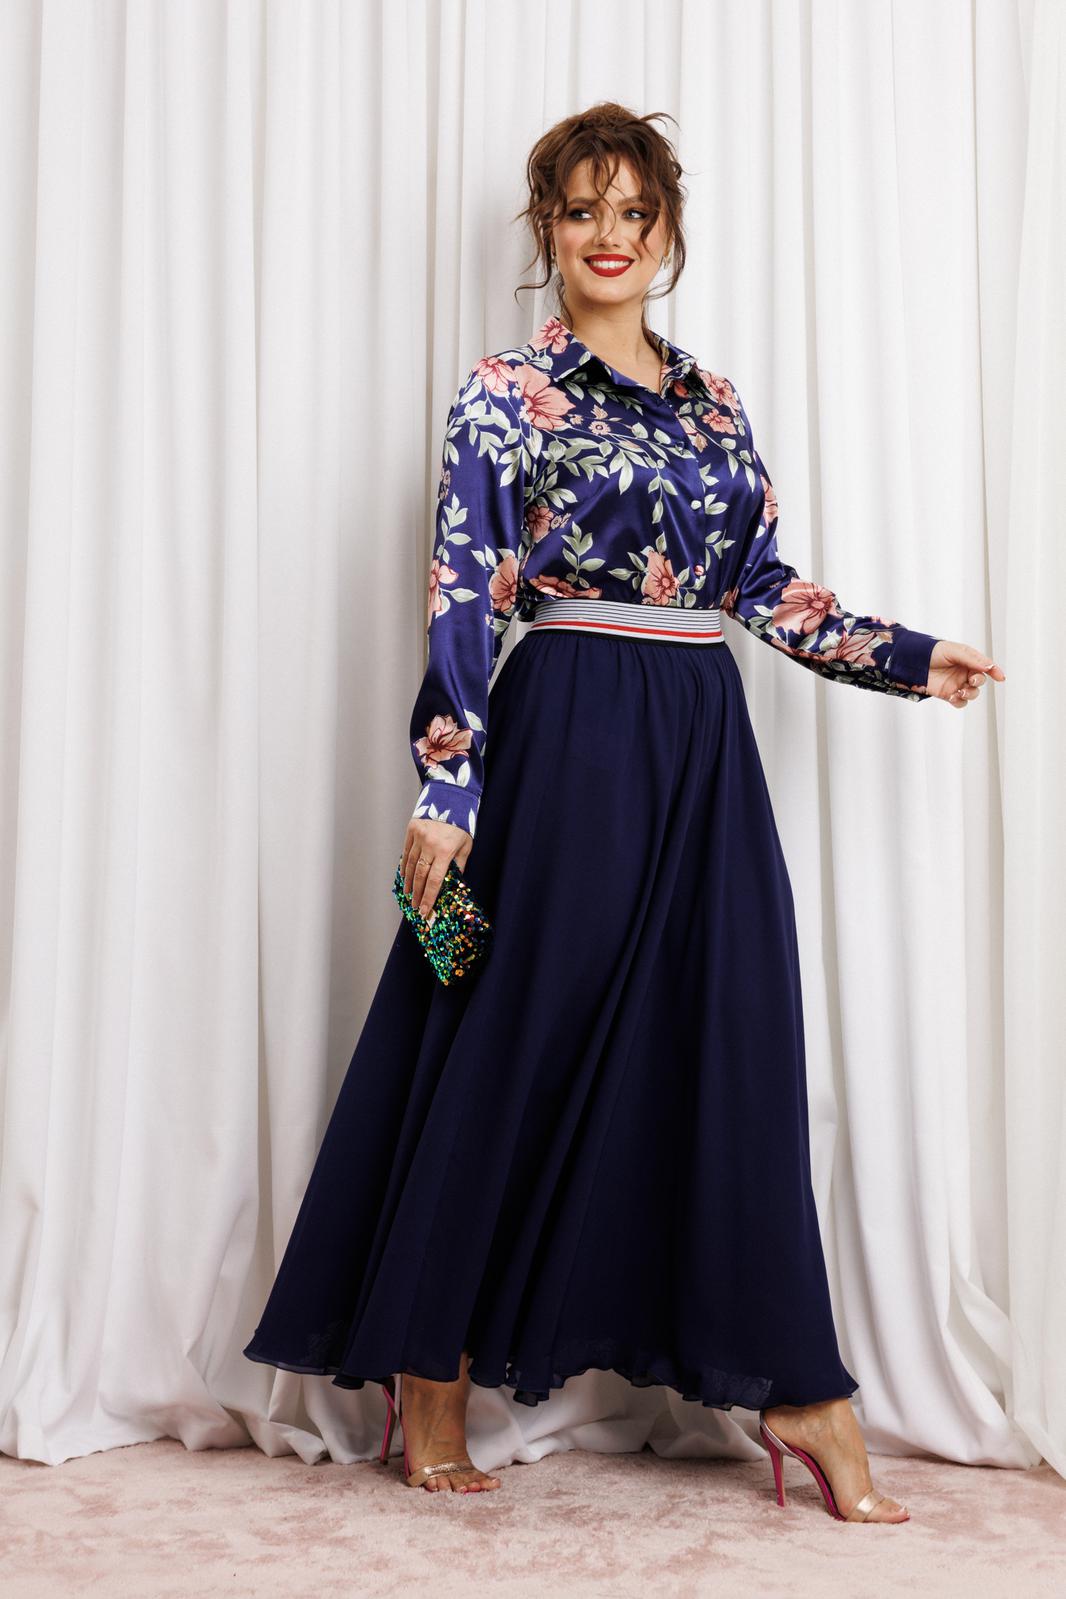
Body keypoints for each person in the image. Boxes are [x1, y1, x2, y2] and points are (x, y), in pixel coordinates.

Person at [242, 103, 1005, 1520]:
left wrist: (907, 656)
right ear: (547, 229)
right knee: (512, 1038)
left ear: (666, 232)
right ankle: (428, 1363)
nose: (609, 236)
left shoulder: (714, 402)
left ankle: (802, 1390)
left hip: (703, 738)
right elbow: (463, 588)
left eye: (633, 213)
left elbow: (762, 586)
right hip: (572, 734)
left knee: (734, 1042)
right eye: (582, 211)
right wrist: (448, 784)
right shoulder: (506, 391)